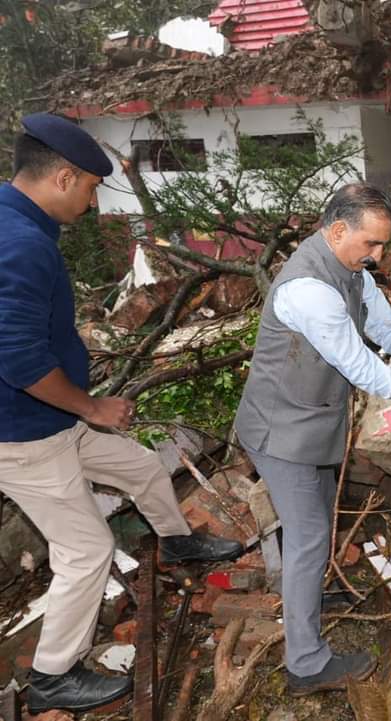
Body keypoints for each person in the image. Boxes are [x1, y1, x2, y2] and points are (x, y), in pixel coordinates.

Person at [0, 113, 245, 714]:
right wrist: (93, 406)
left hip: (51, 422)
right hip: (24, 434)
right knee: (87, 551)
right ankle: (52, 677)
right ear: (62, 176)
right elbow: (17, 357)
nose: (89, 204)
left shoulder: (16, 221)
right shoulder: (21, 242)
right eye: (88, 189)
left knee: (139, 467)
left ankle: (178, 542)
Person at [234, 183, 391, 696]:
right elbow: (361, 365)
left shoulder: (348, 269)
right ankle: (305, 664)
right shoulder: (309, 290)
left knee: (314, 527)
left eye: (383, 246)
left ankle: (307, 601)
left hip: (311, 423)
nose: (379, 256)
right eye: (371, 244)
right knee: (307, 541)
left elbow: (386, 326)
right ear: (338, 229)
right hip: (282, 433)